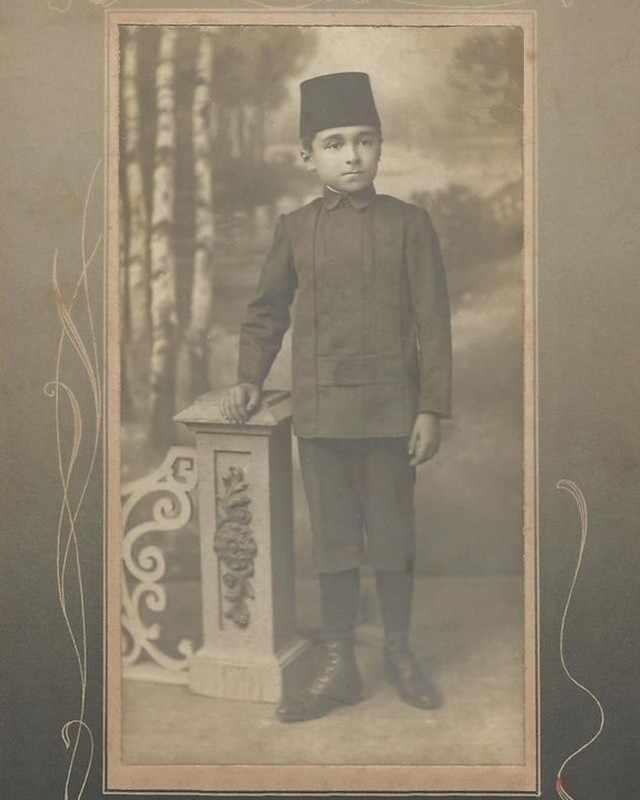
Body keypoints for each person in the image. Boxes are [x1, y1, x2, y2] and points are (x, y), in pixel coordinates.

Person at [220, 72, 452, 723]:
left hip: (391, 417)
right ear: (307, 154)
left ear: (379, 148)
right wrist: (248, 375)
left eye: (365, 141)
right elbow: (266, 313)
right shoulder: (294, 229)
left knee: (393, 538)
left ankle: (400, 653)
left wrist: (431, 407)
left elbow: (434, 323)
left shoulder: (410, 224)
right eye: (334, 143)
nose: (352, 156)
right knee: (334, 544)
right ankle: (340, 660)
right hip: (321, 419)